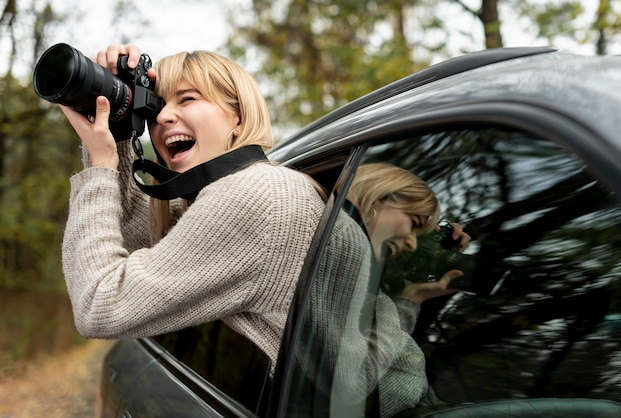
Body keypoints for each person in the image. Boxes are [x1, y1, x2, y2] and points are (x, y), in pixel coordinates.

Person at [59, 44, 326, 369]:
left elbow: (99, 306)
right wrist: (115, 132)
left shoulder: (255, 194)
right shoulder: (261, 186)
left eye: (187, 99)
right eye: (156, 105)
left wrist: (101, 167)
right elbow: (130, 222)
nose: (162, 116)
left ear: (239, 118)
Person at [297, 163, 470, 417]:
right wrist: (409, 301)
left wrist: (419, 290)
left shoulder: (357, 268)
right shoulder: (338, 254)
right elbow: (351, 384)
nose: (411, 244)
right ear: (376, 198)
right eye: (413, 223)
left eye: (419, 234)